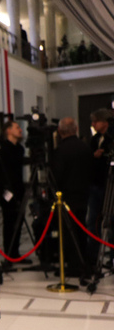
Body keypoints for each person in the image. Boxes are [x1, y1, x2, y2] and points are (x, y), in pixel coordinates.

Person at [53, 117, 92, 280]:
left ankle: (73, 264)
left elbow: (57, 175)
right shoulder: (85, 147)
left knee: (68, 232)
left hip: (66, 196)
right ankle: (84, 260)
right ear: (75, 129)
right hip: (83, 193)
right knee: (81, 227)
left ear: (60, 132)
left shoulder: (60, 150)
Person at [0, 120, 27, 261]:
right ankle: (9, 253)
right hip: (6, 189)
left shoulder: (19, 148)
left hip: (18, 188)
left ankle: (15, 252)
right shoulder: (2, 149)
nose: (20, 129)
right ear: (8, 130)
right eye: (17, 127)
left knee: (18, 220)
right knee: (9, 220)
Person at [86, 109, 114, 267]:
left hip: (109, 185)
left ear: (104, 122)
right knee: (93, 221)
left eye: (95, 121)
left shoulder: (110, 138)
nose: (93, 124)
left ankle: (112, 256)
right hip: (96, 184)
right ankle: (93, 255)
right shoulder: (95, 139)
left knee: (111, 221)